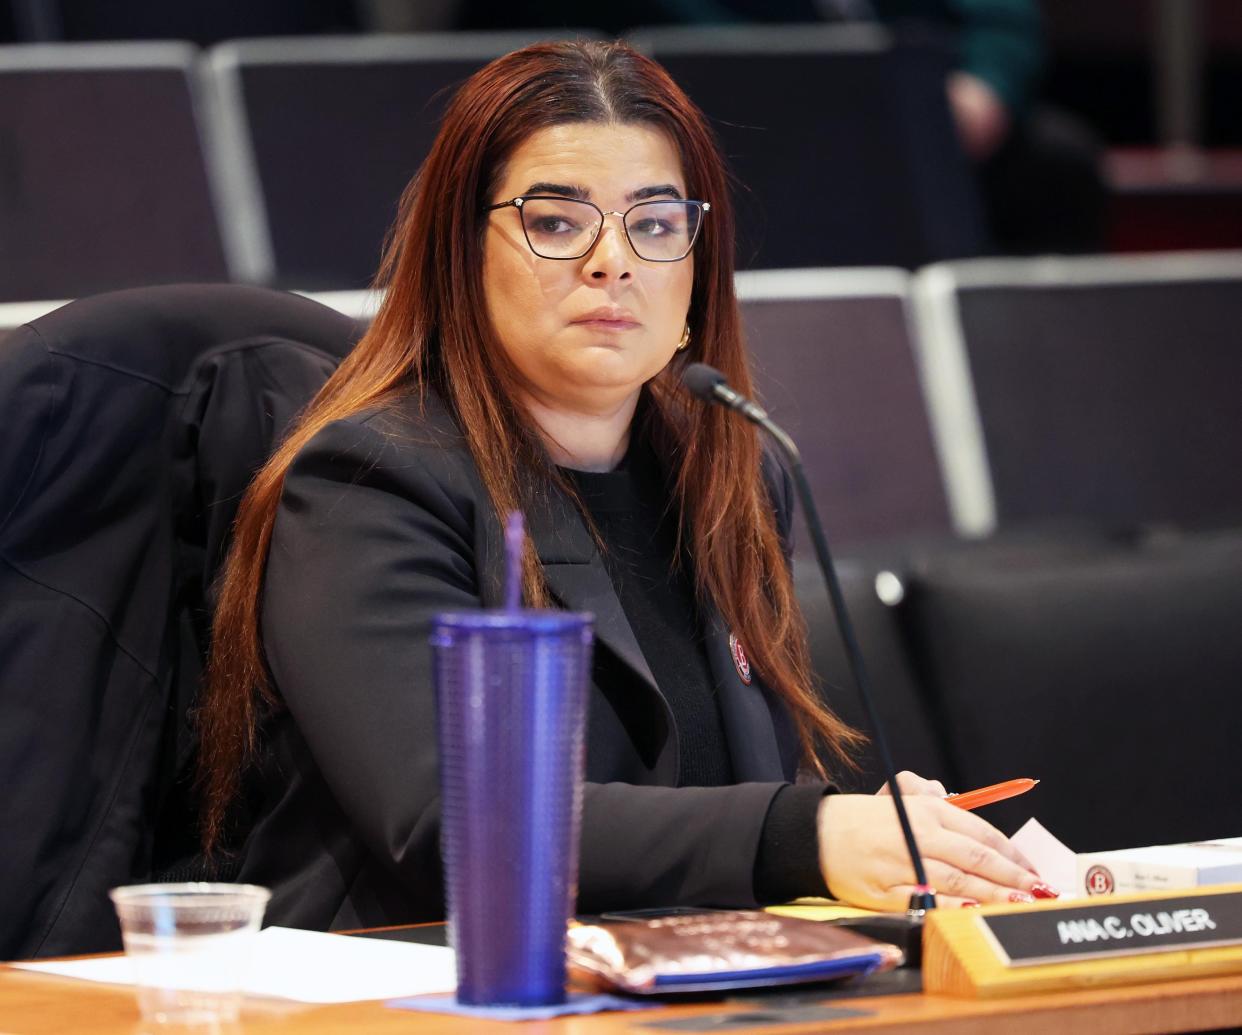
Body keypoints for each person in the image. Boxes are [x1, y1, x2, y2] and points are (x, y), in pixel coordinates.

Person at [196, 39, 1052, 932]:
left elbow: (733, 802)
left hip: (673, 979)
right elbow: (451, 822)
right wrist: (809, 834)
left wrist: (875, 836)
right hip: (408, 988)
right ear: (461, 251)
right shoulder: (370, 482)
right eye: (557, 223)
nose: (613, 261)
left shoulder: (734, 471)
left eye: (653, 223)